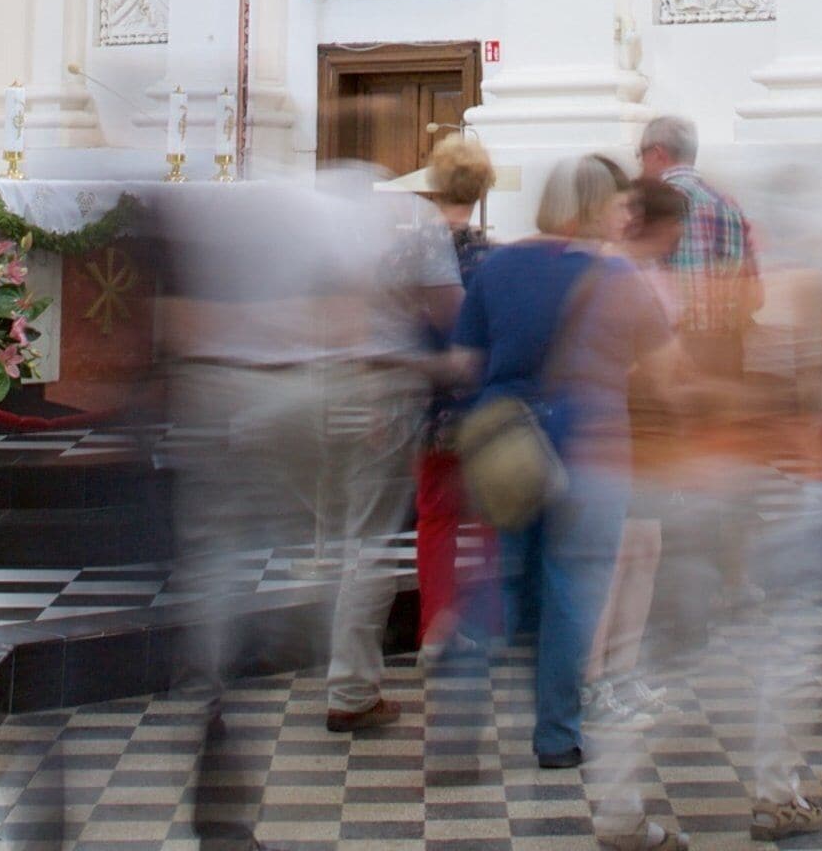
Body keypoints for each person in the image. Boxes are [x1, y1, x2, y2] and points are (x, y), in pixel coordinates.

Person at [161, 166, 460, 840]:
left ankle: (283, 655)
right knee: (363, 541)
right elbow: (358, 317)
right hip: (356, 391)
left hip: (303, 393)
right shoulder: (383, 228)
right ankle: (347, 681)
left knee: (323, 532)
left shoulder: (309, 219)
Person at [444, 155, 677, 776]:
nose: (627, 213)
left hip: (507, 444)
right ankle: (557, 736)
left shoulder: (498, 266)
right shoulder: (619, 276)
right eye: (618, 202)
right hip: (590, 445)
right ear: (594, 206)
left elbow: (464, 361)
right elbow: (667, 371)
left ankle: (458, 701)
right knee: (574, 593)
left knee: (506, 580)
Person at [402, 134, 498, 658]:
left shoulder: (410, 250)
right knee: (486, 519)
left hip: (429, 401)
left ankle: (434, 626)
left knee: (435, 519)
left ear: (435, 187)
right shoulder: (491, 256)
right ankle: (484, 626)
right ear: (482, 189)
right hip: (481, 404)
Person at [636, 115, 763, 372]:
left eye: (640, 156)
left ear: (657, 154)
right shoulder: (728, 204)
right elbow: (750, 287)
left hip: (671, 351)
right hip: (727, 349)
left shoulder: (649, 205)